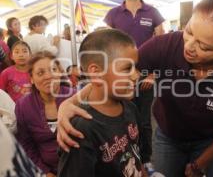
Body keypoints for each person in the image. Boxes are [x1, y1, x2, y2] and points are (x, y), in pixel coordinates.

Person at [56, 0, 213, 177]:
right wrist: (70, 103)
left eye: (204, 47)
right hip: (168, 138)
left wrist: (200, 164)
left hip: (210, 143)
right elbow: (112, 74)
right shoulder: (164, 46)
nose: (189, 47)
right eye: (189, 32)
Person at [57, 29, 146, 177]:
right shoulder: (81, 128)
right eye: (127, 68)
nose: (136, 75)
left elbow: (136, 157)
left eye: (135, 67)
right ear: (97, 73)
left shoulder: (130, 107)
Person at [104, 0, 165, 167]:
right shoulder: (113, 14)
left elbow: (162, 44)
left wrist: (153, 75)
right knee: (122, 120)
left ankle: (145, 160)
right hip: (121, 77)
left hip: (146, 77)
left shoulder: (153, 12)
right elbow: (107, 45)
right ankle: (127, 159)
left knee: (144, 121)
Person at [15, 51, 75, 177]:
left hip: (79, 166)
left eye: (53, 70)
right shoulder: (23, 106)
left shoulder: (75, 97)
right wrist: (45, 172)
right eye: (40, 73)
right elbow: (26, 145)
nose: (48, 76)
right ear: (31, 79)